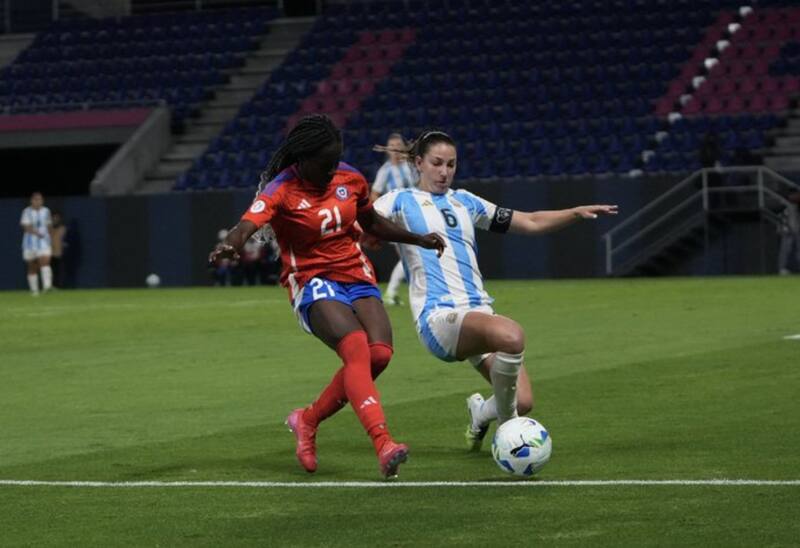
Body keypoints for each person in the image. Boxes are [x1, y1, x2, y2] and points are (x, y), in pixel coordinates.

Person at [208, 115, 445, 478]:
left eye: (336, 161)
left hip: (355, 271)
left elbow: (372, 223)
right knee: (355, 349)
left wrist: (418, 238)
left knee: (379, 355)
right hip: (313, 278)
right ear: (302, 160)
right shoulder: (280, 189)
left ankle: (307, 419)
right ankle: (383, 443)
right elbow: (246, 225)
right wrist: (230, 245)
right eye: (325, 164)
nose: (333, 170)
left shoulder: (349, 178)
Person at [372, 130, 618, 451]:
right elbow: (361, 220)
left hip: (478, 315)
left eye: (451, 164)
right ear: (419, 163)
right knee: (512, 336)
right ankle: (509, 436)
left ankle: (480, 414)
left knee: (524, 402)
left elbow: (529, 221)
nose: (444, 171)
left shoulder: (466, 202)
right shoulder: (399, 200)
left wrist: (573, 213)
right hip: (440, 316)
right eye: (436, 163)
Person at [370, 133, 418, 305]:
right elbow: (374, 194)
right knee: (412, 256)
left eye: (398, 145)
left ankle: (393, 293)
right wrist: (376, 216)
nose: (395, 149)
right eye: (392, 146)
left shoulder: (411, 166)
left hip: (416, 215)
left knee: (412, 256)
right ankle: (394, 292)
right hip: (397, 220)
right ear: (388, 151)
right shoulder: (385, 171)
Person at [20, 191, 54, 296]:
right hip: (30, 243)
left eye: (40, 199)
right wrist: (37, 233)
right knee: (32, 266)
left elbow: (49, 226)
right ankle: (34, 290)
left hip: (44, 242)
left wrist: (49, 237)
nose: (38, 202)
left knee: (45, 261)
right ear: (32, 201)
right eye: (36, 199)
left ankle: (47, 287)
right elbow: (25, 227)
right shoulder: (26, 212)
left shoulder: (46, 211)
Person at [778, 192, 800, 275]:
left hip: (797, 231)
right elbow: (781, 219)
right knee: (785, 251)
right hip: (787, 232)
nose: (796, 196)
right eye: (794, 195)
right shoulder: (784, 205)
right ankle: (782, 269)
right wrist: (783, 229)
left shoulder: (797, 206)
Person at [50, 212, 67, 289]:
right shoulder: (48, 228)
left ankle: (58, 286)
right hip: (48, 253)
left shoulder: (63, 229)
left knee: (58, 271)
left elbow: (65, 241)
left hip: (58, 253)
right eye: (54, 218)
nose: (55, 220)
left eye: (57, 218)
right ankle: (49, 286)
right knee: (48, 271)